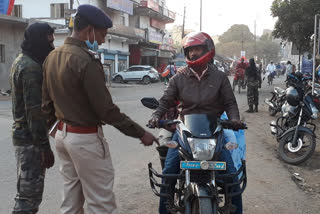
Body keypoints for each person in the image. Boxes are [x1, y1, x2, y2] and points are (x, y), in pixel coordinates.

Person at [41, 5, 158, 214]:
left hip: (63, 137)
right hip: (85, 140)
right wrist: (141, 133)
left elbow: (46, 104)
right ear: (89, 30)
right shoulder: (85, 60)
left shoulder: (52, 57)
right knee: (101, 203)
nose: (103, 39)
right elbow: (107, 111)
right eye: (102, 34)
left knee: (70, 202)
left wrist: (57, 130)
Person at [148, 32, 243, 214]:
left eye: (197, 49)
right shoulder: (179, 77)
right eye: (190, 50)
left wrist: (235, 119)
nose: (193, 54)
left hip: (214, 130)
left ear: (208, 50)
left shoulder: (220, 77)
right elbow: (165, 101)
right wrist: (156, 115)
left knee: (232, 176)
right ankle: (165, 211)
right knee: (169, 172)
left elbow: (230, 103)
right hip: (185, 130)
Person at [9, 23, 55, 214]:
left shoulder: (21, 60)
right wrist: (45, 148)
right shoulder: (31, 68)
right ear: (39, 40)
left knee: (26, 194)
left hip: (24, 138)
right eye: (49, 41)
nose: (52, 47)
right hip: (31, 142)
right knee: (28, 199)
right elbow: (34, 113)